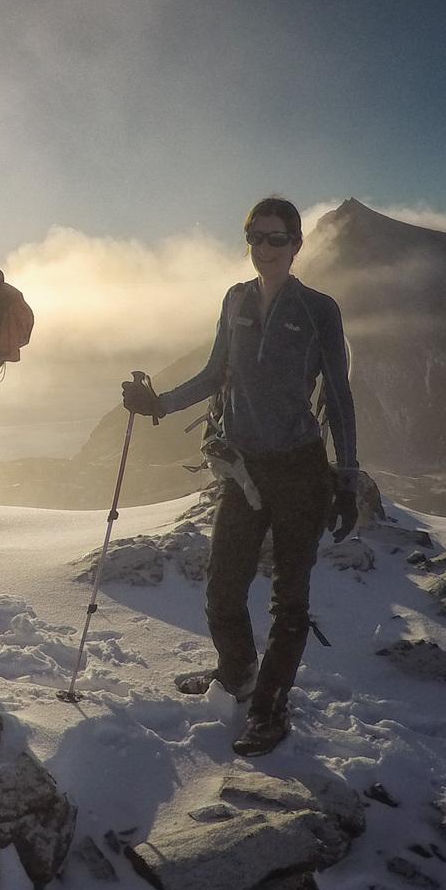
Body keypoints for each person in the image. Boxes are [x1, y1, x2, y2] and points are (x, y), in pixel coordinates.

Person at [120, 196, 359, 757]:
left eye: (278, 239)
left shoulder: (319, 308)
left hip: (300, 470)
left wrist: (346, 477)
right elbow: (212, 374)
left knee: (288, 602)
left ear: (297, 245)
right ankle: (239, 675)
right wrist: (158, 403)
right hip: (244, 469)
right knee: (223, 588)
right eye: (256, 238)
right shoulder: (235, 300)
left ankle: (270, 710)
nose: (266, 249)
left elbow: (340, 397)